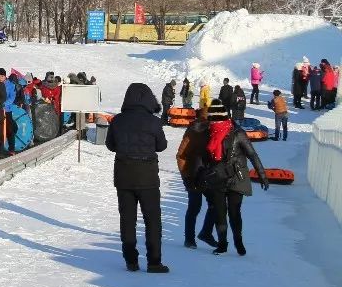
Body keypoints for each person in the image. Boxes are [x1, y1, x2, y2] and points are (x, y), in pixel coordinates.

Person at [105, 83, 169, 273]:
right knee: (152, 220)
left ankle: (131, 260)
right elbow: (162, 146)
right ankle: (154, 262)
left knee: (127, 219)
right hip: (147, 177)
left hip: (124, 176)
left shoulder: (117, 121)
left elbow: (110, 145)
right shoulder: (154, 122)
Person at [190, 102, 269, 256]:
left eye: (215, 120)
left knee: (234, 212)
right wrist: (198, 176)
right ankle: (222, 244)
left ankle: (238, 241)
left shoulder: (237, 133)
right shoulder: (209, 134)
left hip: (236, 177)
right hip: (217, 178)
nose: (213, 123)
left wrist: (262, 175)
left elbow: (252, 154)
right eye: (212, 120)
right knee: (220, 212)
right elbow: (202, 157)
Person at [176, 114, 215, 248]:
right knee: (196, 207)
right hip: (195, 173)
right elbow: (181, 155)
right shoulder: (196, 130)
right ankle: (191, 238)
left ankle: (200, 234)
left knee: (206, 205)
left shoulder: (212, 130)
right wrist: (185, 176)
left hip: (202, 173)